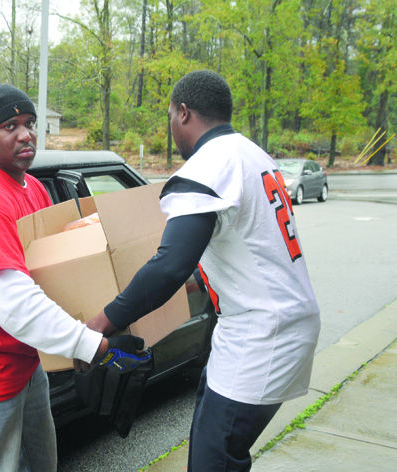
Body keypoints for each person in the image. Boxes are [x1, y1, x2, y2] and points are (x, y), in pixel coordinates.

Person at [84, 70, 321, 471]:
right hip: (273, 323)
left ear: (182, 112)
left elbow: (170, 266)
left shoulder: (206, 167)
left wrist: (101, 322)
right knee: (212, 438)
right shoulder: (250, 153)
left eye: (170, 119)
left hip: (262, 333)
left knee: (215, 459)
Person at [0, 83, 142, 472]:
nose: (26, 134)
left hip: (23, 363)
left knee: (40, 463)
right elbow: (15, 303)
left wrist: (75, 342)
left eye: (29, 123)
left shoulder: (33, 188)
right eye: (10, 126)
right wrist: (92, 345)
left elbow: (54, 275)